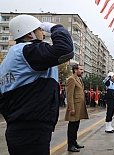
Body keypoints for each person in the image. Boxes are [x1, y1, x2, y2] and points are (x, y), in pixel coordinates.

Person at [0, 14, 74, 155]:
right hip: (32, 128)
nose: (43, 32)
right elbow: (66, 49)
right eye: (40, 29)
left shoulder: (8, 59)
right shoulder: (28, 51)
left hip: (18, 126)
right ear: (29, 34)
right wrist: (55, 28)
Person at [65, 64, 89, 152]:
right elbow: (69, 94)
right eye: (80, 69)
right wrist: (71, 108)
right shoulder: (71, 79)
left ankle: (74, 142)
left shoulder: (78, 79)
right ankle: (70, 145)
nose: (82, 71)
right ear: (75, 70)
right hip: (74, 106)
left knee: (76, 125)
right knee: (72, 126)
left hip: (79, 106)